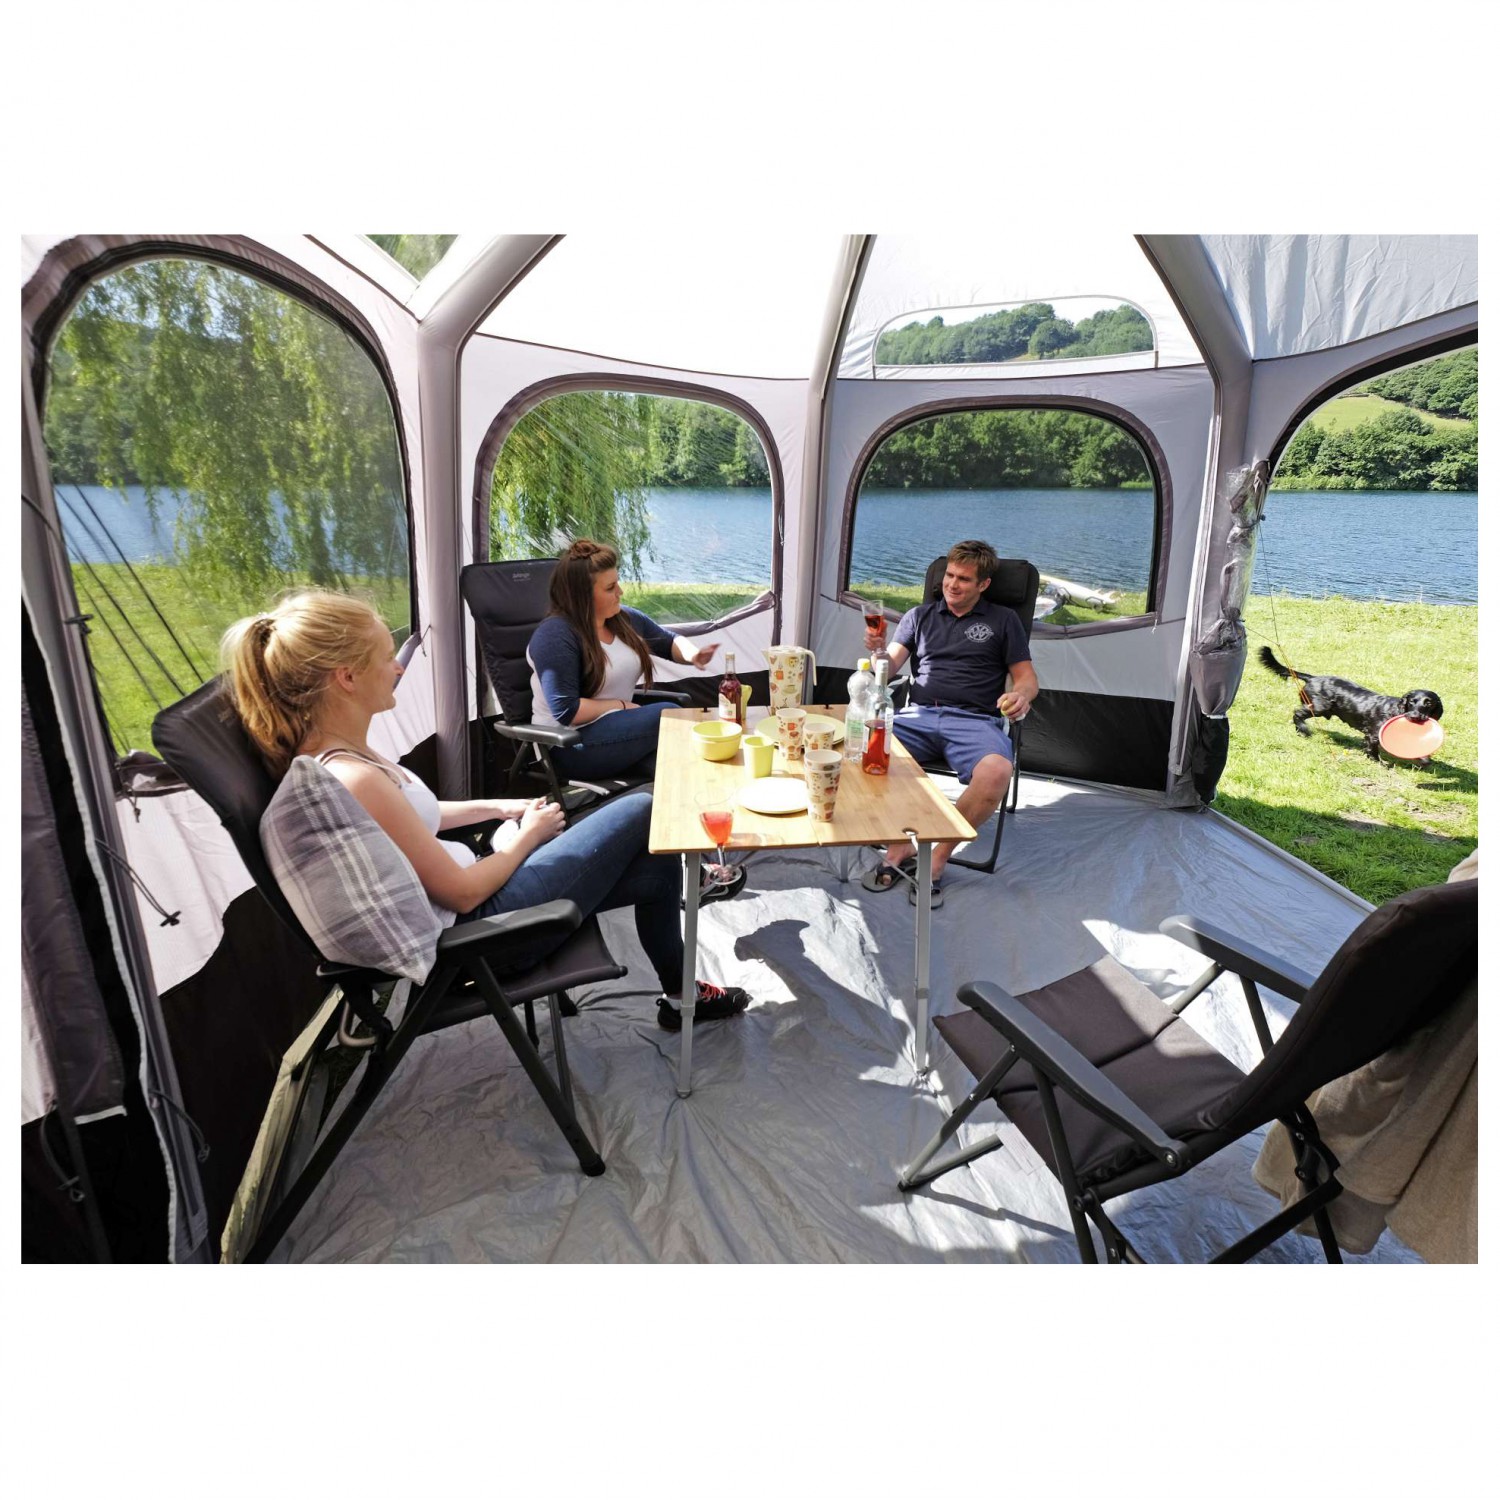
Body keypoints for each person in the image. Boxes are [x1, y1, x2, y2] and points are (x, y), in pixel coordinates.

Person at [221, 589, 750, 1032]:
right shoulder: (354, 778)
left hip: (485, 903)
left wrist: (499, 806)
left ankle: (682, 998)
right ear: (347, 677)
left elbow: (417, 818)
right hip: (485, 934)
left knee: (657, 866)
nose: (398, 668)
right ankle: (705, 871)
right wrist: (528, 837)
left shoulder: (344, 755)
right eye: (385, 657)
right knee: (644, 808)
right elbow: (462, 893)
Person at [527, 536, 746, 900]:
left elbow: (667, 640)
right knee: (668, 715)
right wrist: (619, 705)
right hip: (570, 745)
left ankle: (693, 869)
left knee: (683, 765)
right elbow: (566, 709)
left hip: (616, 737)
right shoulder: (555, 635)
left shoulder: (622, 620)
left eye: (618, 583)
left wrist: (694, 655)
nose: (620, 592)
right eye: (610, 587)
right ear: (582, 595)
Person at [859, 540, 1039, 905]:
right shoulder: (918, 616)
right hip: (918, 715)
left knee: (996, 772)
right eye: (950, 576)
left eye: (964, 579)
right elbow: (887, 669)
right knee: (863, 749)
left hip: (975, 721)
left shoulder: (1003, 620)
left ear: (983, 585)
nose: (952, 585)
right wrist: (877, 650)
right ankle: (899, 845)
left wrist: (1021, 696)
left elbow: (1026, 678)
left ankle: (938, 856)